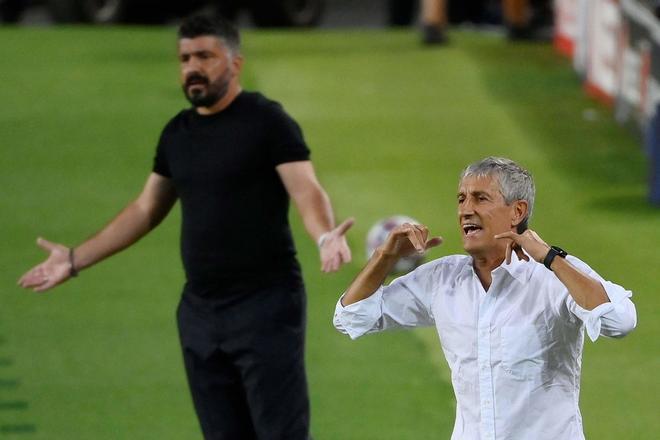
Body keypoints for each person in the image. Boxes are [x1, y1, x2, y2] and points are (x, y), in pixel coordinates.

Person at [18, 15, 353, 440]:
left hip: (265, 307)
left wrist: (324, 235)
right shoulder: (177, 134)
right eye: (184, 58)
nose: (192, 67)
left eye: (204, 56)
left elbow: (306, 190)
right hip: (200, 314)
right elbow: (145, 209)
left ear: (234, 64)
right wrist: (73, 259)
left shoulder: (267, 121)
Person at [334, 157, 636, 439]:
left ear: (517, 211)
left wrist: (550, 257)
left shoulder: (552, 276)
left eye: (480, 198)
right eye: (462, 199)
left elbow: (618, 320)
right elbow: (352, 316)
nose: (466, 209)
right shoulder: (443, 279)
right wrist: (385, 257)